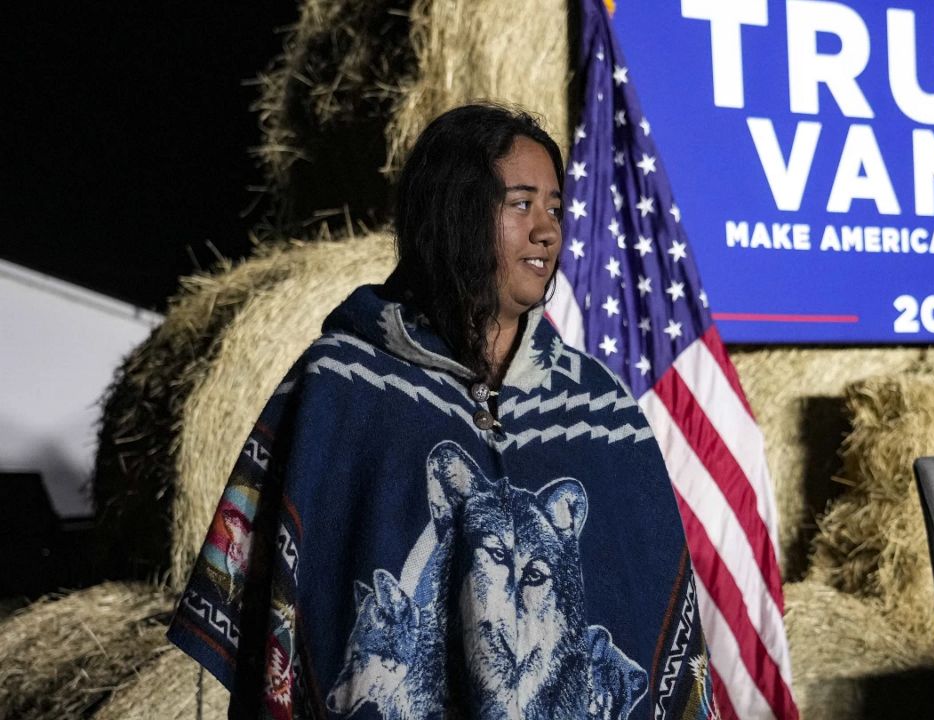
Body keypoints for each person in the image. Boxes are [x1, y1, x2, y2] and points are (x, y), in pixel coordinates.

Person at [167, 103, 718, 719]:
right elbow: (273, 596)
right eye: (521, 203)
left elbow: (648, 613)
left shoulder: (601, 412)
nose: (548, 231)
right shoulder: (343, 388)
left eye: (556, 209)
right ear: (456, 213)